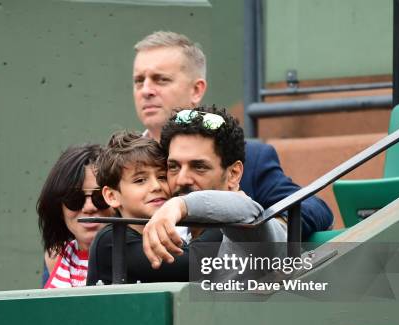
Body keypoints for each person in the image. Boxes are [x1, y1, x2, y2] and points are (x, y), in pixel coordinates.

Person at [132, 31, 333, 239]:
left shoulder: (251, 157)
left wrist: (265, 233)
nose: (146, 90)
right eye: (139, 81)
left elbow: (312, 207)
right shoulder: (120, 161)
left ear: (196, 90)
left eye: (160, 79)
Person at [142, 106, 286, 275]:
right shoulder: (167, 227)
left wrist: (179, 205)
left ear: (234, 174)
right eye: (173, 167)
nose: (181, 179)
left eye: (199, 167)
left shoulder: (249, 226)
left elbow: (246, 210)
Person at [86, 131, 189, 285]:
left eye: (162, 177)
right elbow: (196, 265)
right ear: (112, 196)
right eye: (140, 180)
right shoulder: (112, 240)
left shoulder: (169, 236)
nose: (156, 186)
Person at [37, 144, 114, 288]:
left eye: (100, 197)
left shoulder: (138, 253)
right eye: (74, 199)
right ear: (58, 207)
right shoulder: (56, 256)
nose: (89, 207)